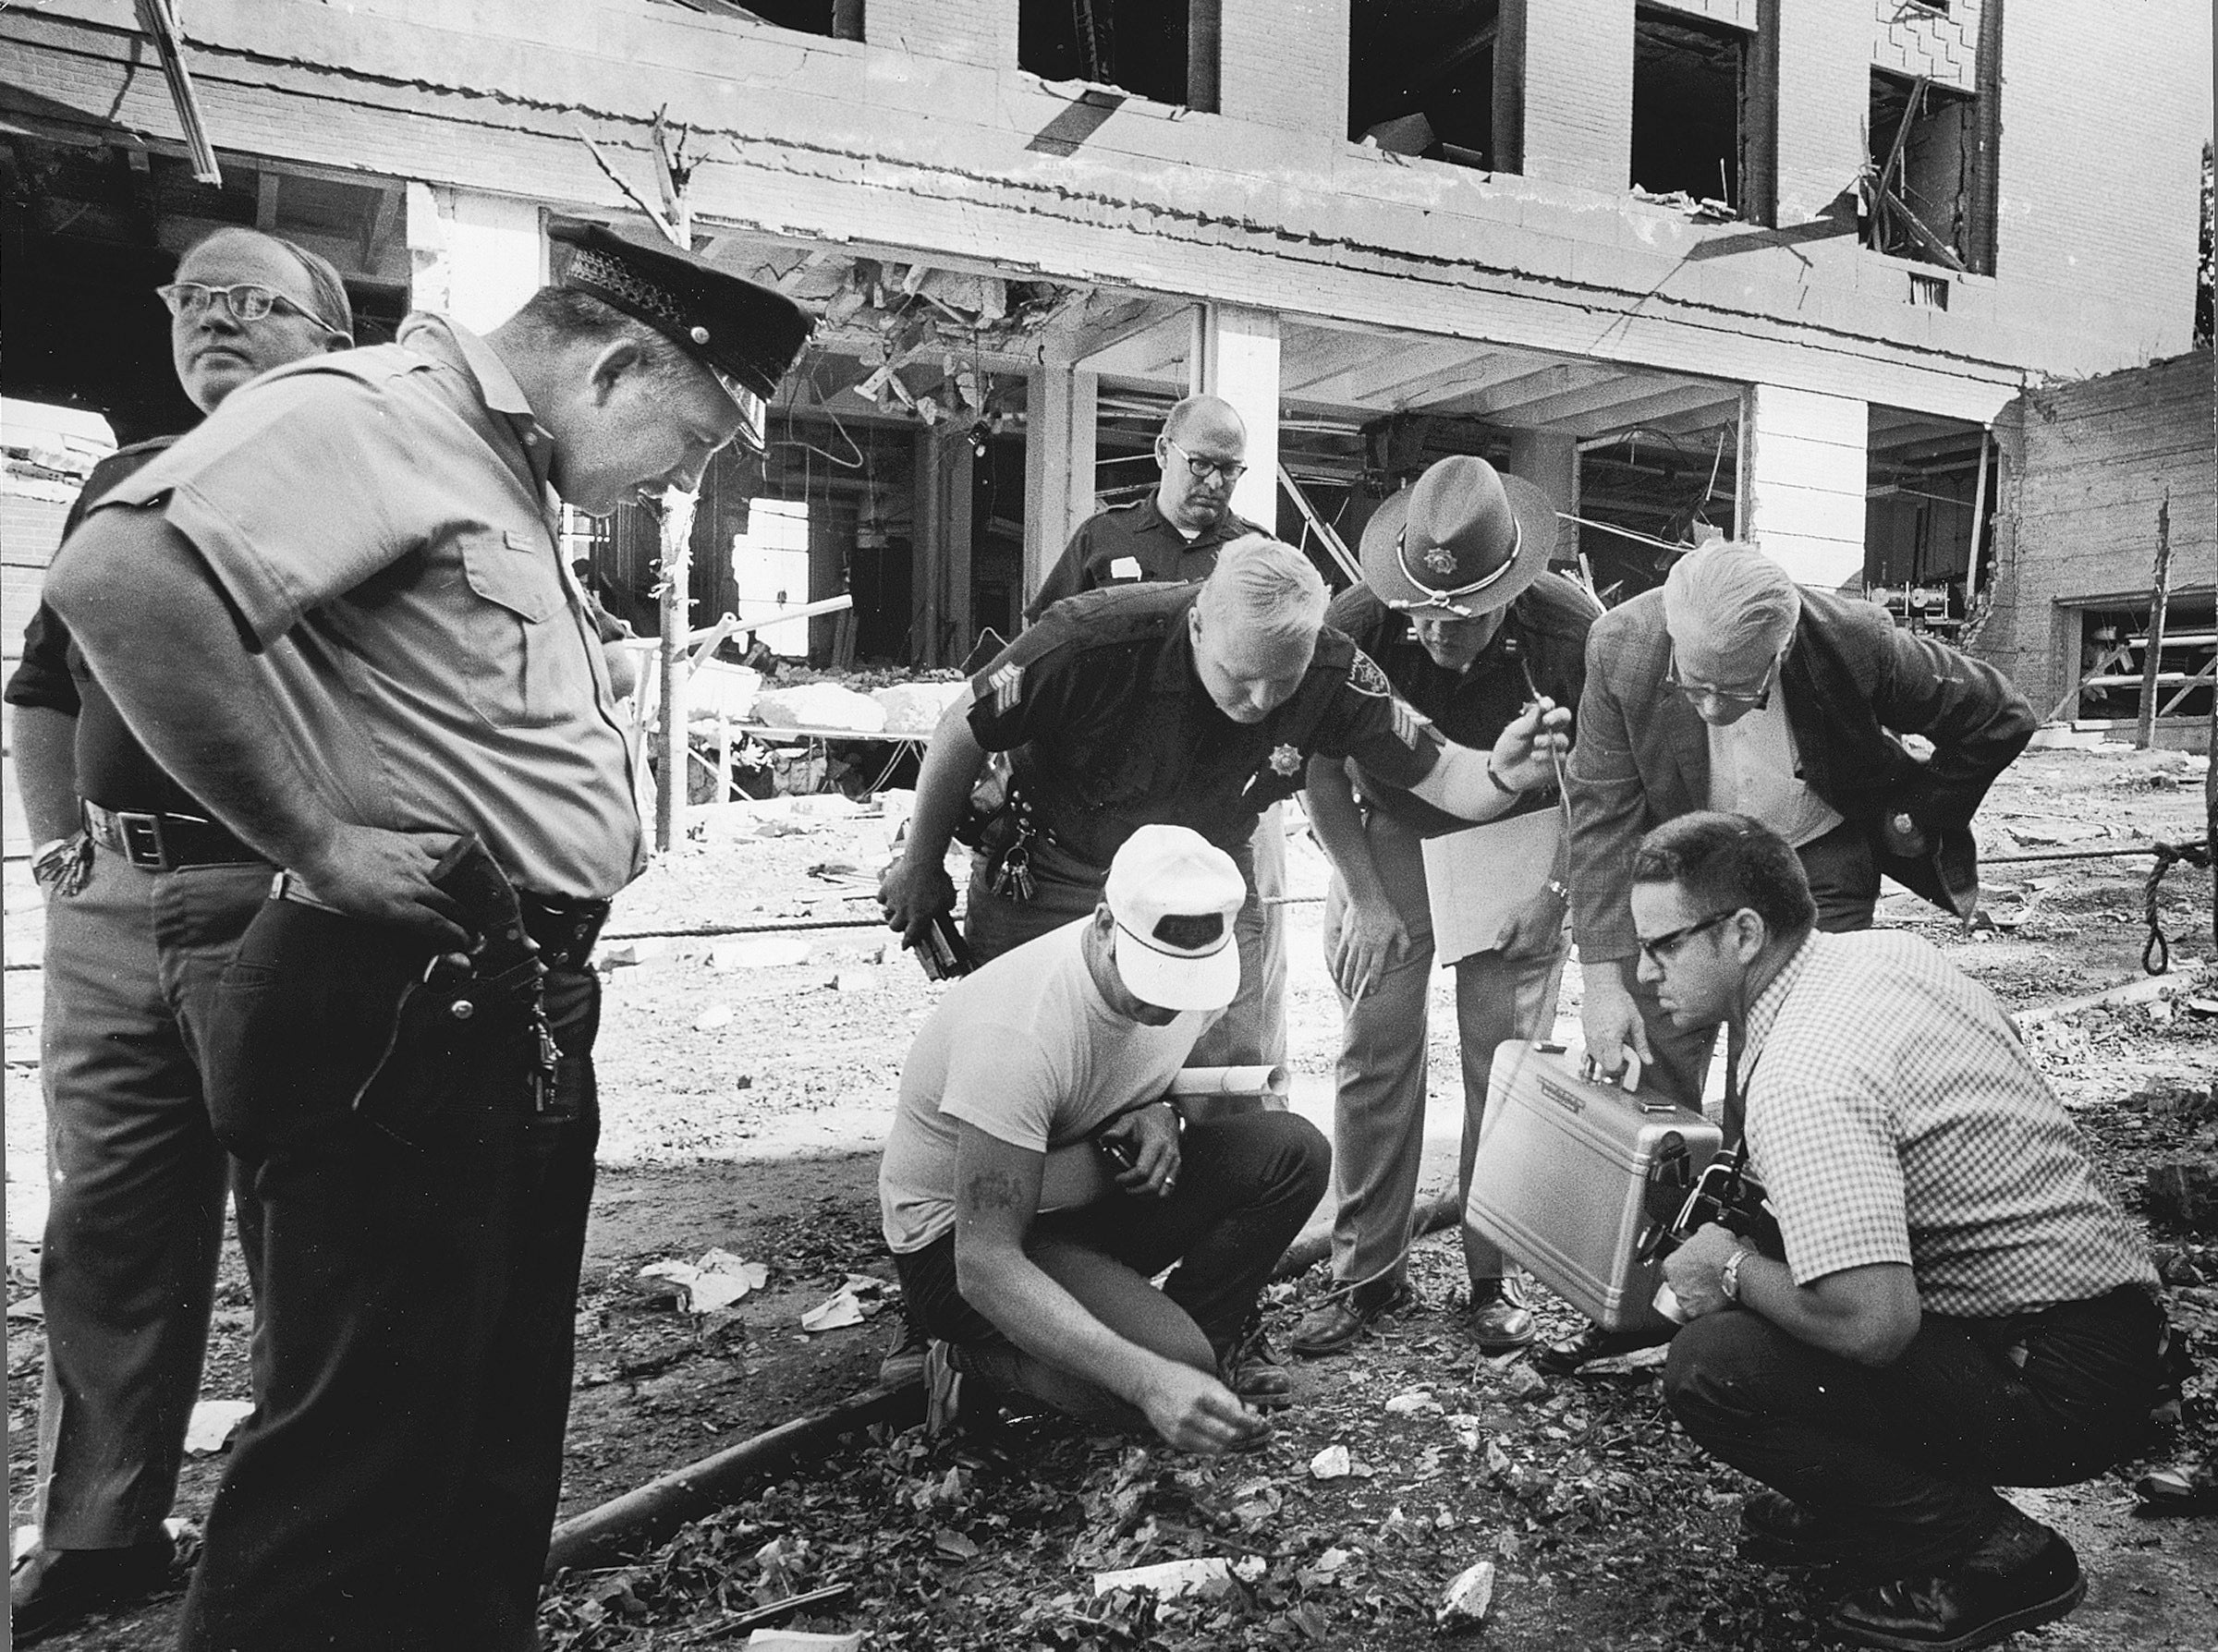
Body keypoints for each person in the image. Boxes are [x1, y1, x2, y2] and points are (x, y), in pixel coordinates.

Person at [43, 222, 811, 1651]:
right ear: (618, 362)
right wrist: (316, 838)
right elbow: (122, 582)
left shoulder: (495, 473)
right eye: (694, 445)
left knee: (484, 1437)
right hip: (400, 994)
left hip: (502, 996)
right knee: (363, 1459)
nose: (686, 483)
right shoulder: (375, 415)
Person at [5, 227, 355, 1645]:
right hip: (111, 901)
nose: (212, 322)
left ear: (324, 334)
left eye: (251, 302)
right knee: (107, 1223)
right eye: (192, 302)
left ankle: (294, 1529)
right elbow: (41, 686)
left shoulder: (352, 483)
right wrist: (56, 844)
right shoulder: (118, 479)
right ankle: (96, 1529)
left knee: (305, 1220)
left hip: (273, 892)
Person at [1636, 812, 2163, 1652]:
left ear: (1742, 933)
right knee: (1781, 1295)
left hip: (2058, 1388)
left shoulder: (1806, 1072)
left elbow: (1875, 1327)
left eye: (1661, 945)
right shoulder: (1883, 955)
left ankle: (1996, 1551)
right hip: (2107, 1331)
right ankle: (1864, 1509)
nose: (1642, 969)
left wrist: (1728, 1267)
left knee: (1717, 1365)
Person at [1548, 539, 2034, 1372]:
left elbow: (2000, 715)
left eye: (1732, 689)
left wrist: (1913, 819)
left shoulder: (1854, 640)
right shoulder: (1620, 646)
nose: (1705, 707)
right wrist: (1600, 975)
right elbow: (1601, 811)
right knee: (1654, 1060)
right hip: (1691, 866)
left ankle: (1784, 1288)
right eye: (1690, 683)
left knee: (1795, 1074)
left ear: (1780, 647)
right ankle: (1649, 1296)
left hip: (1817, 863)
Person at [877, 536, 1575, 1017]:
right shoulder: (1091, 638)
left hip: (1204, 875)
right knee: (1017, 1039)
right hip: (1057, 866)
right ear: (1199, 626)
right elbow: (962, 725)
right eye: (1241, 681)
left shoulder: (1336, 669)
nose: (1264, 705)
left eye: (1285, 683)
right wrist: (921, 863)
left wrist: (1501, 773)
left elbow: (1440, 771)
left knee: (1202, 1069)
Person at [880, 824, 1328, 1448]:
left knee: (1291, 1152)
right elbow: (984, 1265)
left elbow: (1145, 1072)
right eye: (1152, 981)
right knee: (1161, 1379)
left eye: (1184, 985)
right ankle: (972, 1363)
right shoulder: (1016, 1034)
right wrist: (1149, 1381)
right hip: (961, 1246)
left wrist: (1164, 1111)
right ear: (1104, 925)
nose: (1167, 1009)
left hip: (1083, 1189)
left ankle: (1189, 1366)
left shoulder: (1194, 970)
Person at [1291, 456, 1600, 1358]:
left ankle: (1491, 1277)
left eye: (1462, 621)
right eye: (1423, 615)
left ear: (1510, 584)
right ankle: (1364, 1275)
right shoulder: (1356, 622)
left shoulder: (1573, 632)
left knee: (1500, 1062)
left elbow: (1599, 784)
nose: (1435, 638)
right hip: (1393, 837)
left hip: (1520, 845)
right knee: (1375, 1050)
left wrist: (1555, 898)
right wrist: (1365, 896)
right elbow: (1317, 766)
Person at [1024, 393, 1290, 1075]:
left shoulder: (1257, 554)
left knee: (1237, 965)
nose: (1215, 484)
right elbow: (1041, 660)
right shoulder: (1104, 540)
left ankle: (1233, 1111)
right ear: (1162, 454)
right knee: (1122, 961)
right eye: (1201, 464)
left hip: (1224, 797)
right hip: (1115, 796)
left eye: (1231, 471)